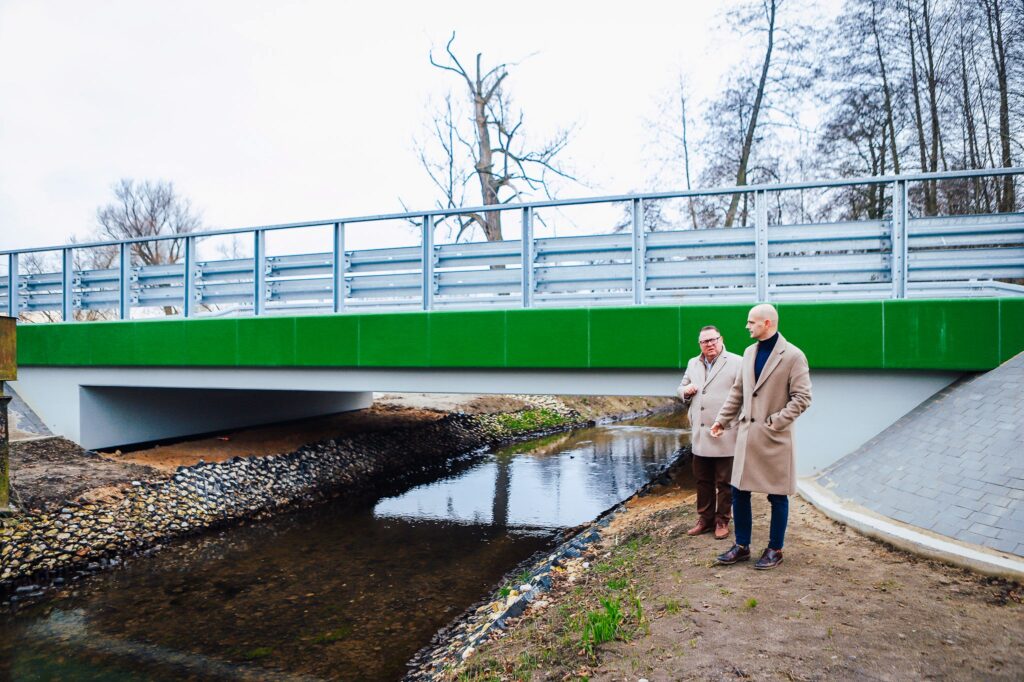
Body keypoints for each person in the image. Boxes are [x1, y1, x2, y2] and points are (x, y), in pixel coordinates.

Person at [709, 304, 812, 570]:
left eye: (751, 322)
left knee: (778, 496)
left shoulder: (793, 356)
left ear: (767, 323)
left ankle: (775, 549)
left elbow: (802, 398)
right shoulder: (748, 352)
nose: (747, 326)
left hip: (774, 438)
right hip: (747, 436)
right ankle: (742, 546)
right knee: (739, 491)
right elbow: (738, 392)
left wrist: (774, 422)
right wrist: (722, 420)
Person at [676, 325, 741, 540]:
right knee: (702, 480)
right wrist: (685, 392)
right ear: (700, 344)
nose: (709, 344)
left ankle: (722, 520)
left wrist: (733, 422)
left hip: (725, 432)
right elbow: (681, 387)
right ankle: (705, 519)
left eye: (713, 340)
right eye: (705, 341)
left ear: (721, 339)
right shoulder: (693, 363)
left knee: (724, 482)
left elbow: (744, 396)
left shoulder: (737, 362)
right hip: (700, 434)